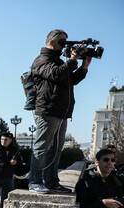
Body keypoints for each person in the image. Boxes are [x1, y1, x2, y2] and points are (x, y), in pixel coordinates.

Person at [28, 29, 91, 194]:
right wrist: (72, 59)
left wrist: (84, 67)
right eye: (62, 41)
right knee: (42, 147)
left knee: (56, 149)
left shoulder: (58, 61)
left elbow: (71, 80)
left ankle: (51, 182)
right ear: (52, 41)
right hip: (48, 110)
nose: (65, 45)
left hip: (62, 112)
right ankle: (34, 182)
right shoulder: (42, 60)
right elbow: (56, 75)